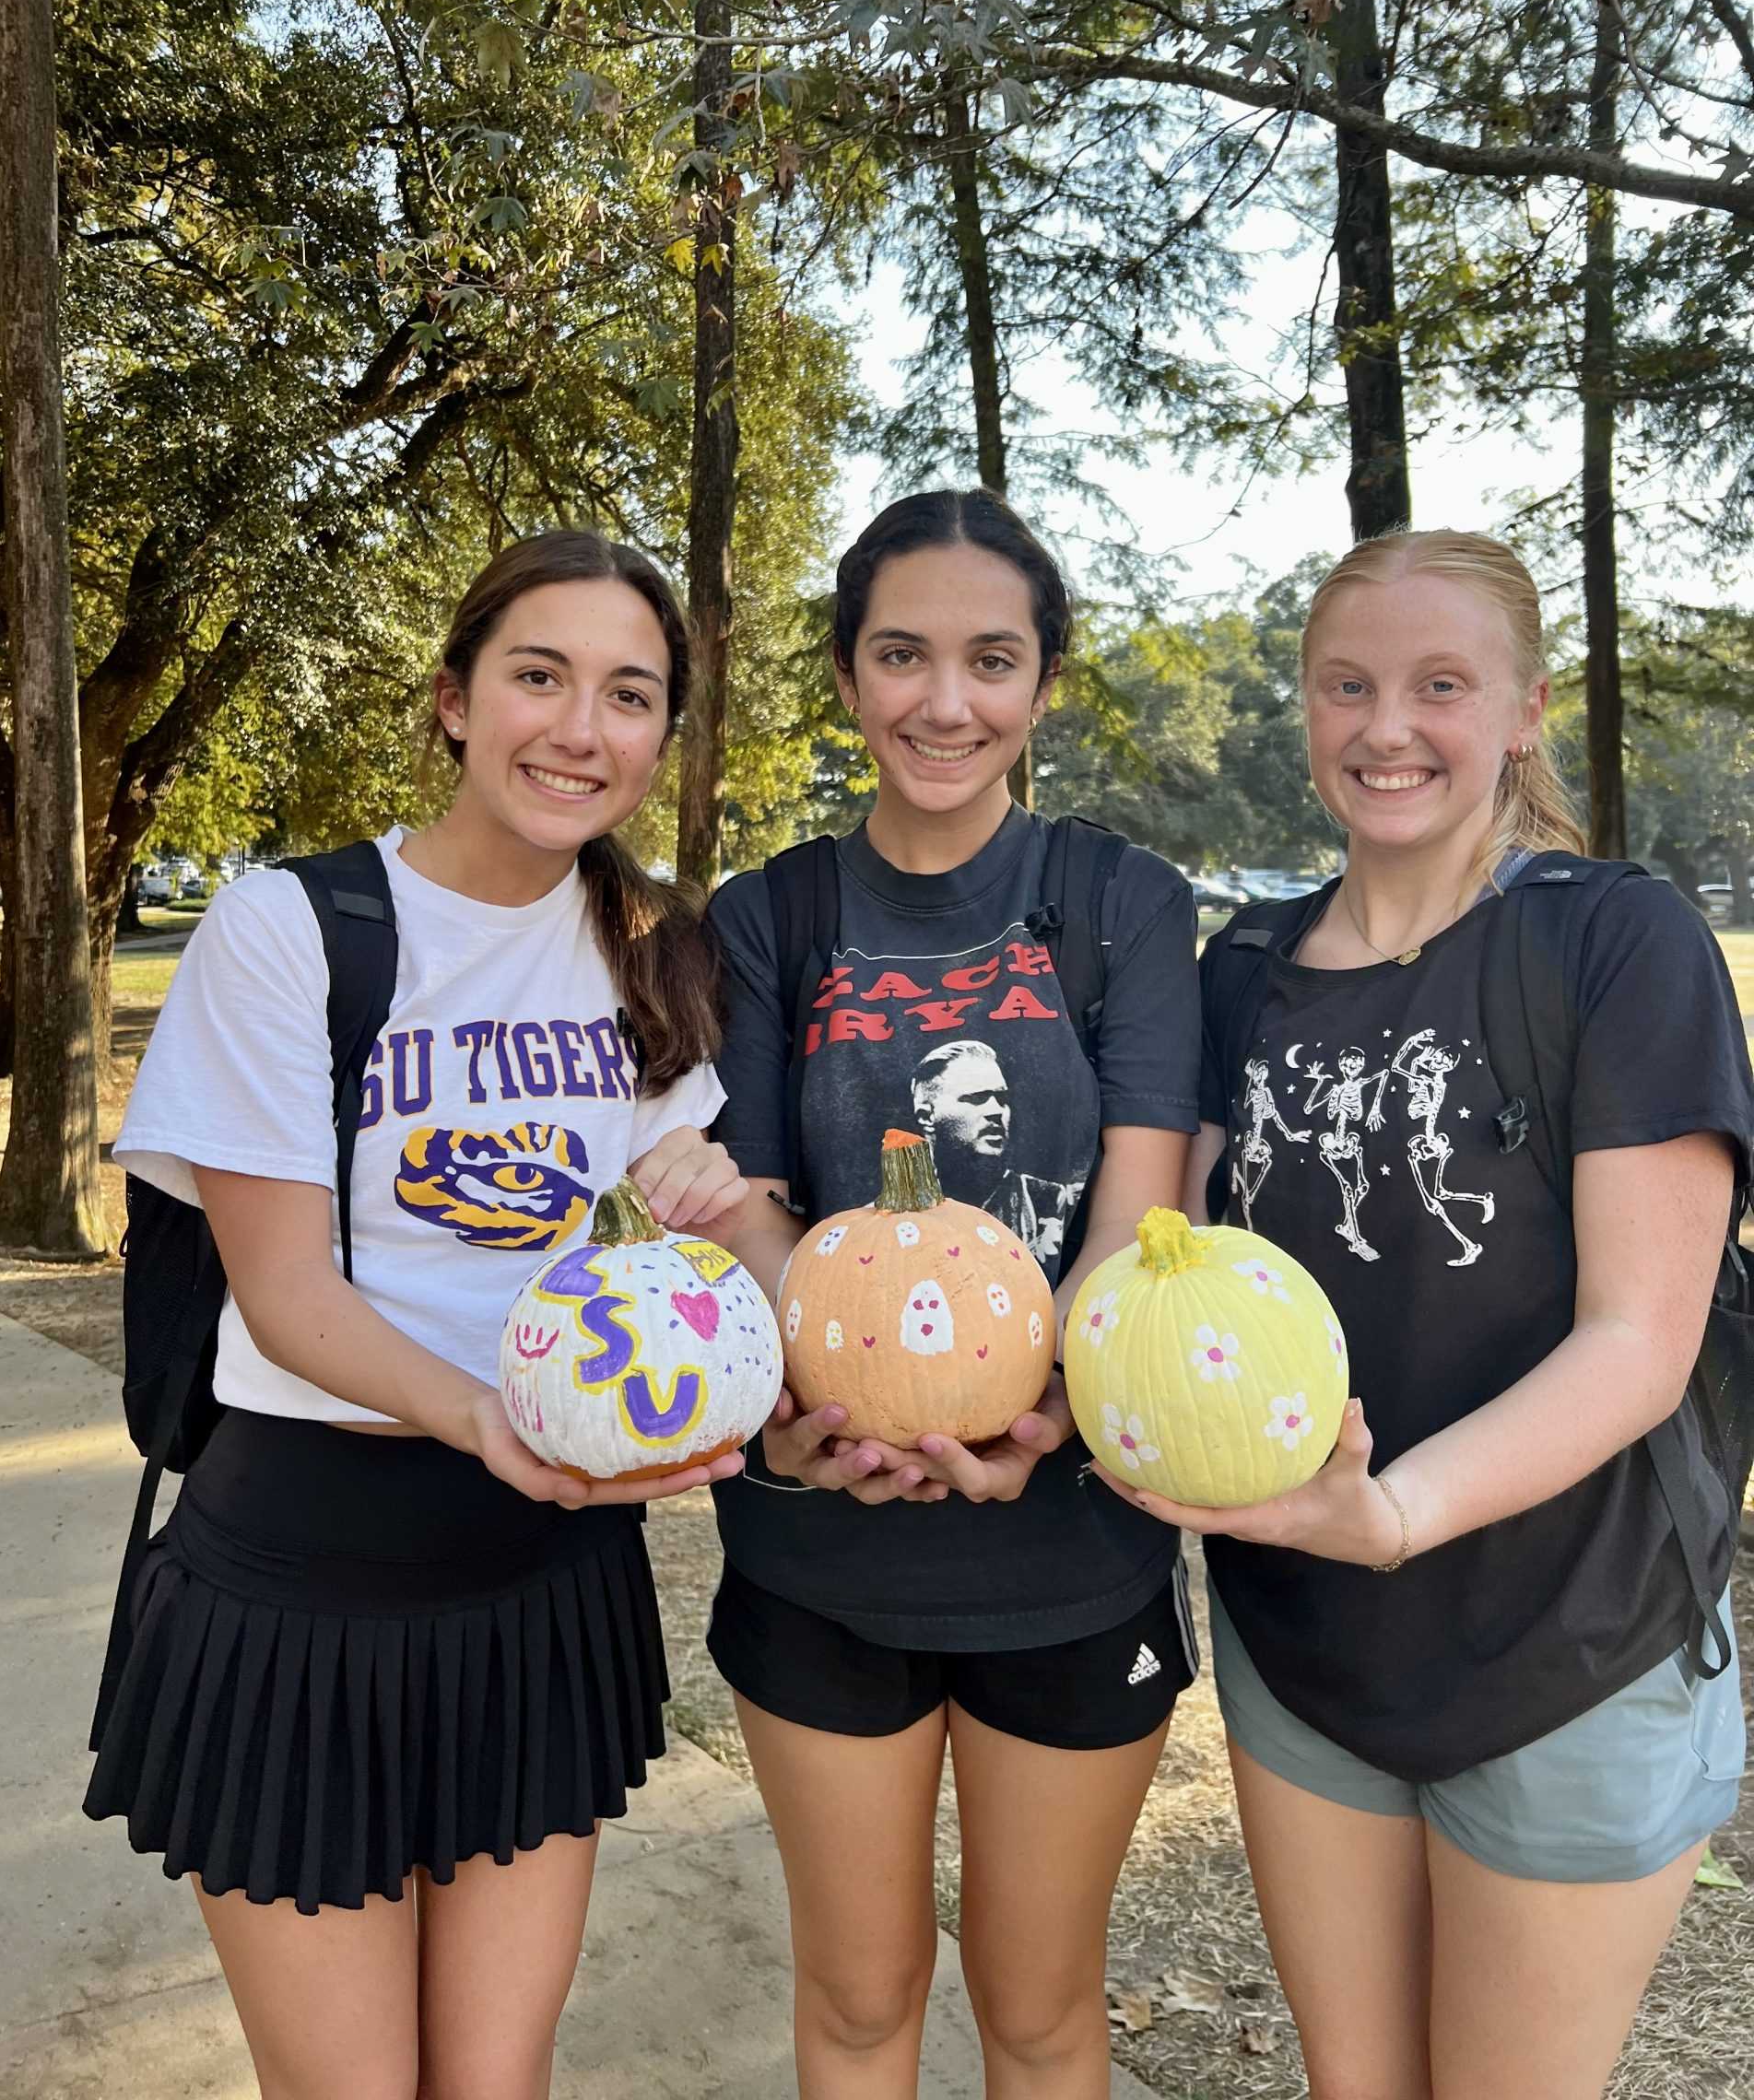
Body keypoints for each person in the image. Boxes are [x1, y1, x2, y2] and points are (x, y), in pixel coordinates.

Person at [85, 531, 748, 2100]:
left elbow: (673, 1265)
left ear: (662, 737)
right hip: (304, 1588)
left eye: (629, 694)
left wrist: (721, 1223)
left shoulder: (649, 953)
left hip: (546, 1584)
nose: (580, 727)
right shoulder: (291, 929)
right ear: (454, 699)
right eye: (539, 676)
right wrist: (484, 1423)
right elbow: (291, 1298)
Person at [1112, 530, 1751, 2100]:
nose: (1386, 726)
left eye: (1439, 686)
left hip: (1570, 1646)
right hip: (1307, 1650)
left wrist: (1390, 1510)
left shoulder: (1614, 942)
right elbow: (1152, 1264)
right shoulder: (1242, 966)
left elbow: (1638, 1344)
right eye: (1349, 685)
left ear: (1524, 712)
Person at [704, 487, 1203, 2097]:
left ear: (1042, 684)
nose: (946, 701)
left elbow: (1135, 1218)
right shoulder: (770, 918)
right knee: (858, 2006)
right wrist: (849, 1411)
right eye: (903, 655)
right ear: (849, 675)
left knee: (1044, 2016)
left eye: (992, 660)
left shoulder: (1120, 903)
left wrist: (1048, 1412)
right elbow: (761, 1223)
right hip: (821, 1544)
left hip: (1073, 1556)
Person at [909, 1036, 1076, 1263]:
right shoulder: (896, 1212)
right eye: (977, 1098)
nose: (996, 1111)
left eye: (1002, 1098)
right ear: (927, 1116)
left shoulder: (1045, 1201)